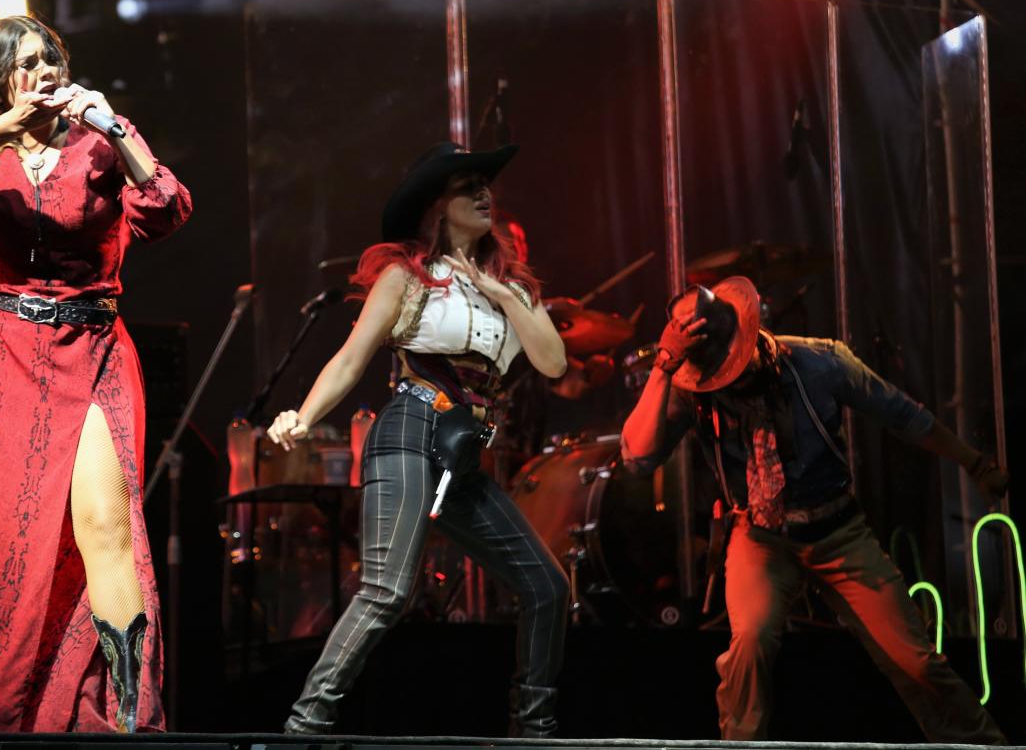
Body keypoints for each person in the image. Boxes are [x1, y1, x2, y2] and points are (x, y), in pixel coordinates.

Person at [0, 15, 193, 732]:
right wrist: (4, 123)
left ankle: (129, 711)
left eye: (51, 59)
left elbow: (166, 211)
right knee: (4, 538)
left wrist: (119, 130)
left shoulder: (99, 142)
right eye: (27, 63)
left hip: (93, 349)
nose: (44, 71)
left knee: (106, 524)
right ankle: (2, 711)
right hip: (0, 357)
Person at [620, 276, 1007, 742]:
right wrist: (664, 367)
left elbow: (904, 415)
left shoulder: (819, 362)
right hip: (760, 538)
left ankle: (985, 747)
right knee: (749, 646)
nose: (728, 379)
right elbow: (637, 457)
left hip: (836, 532)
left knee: (917, 661)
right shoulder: (695, 387)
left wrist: (975, 463)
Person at [267, 142, 571, 736]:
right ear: (437, 205)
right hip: (410, 428)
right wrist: (301, 416)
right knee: (387, 590)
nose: (484, 194)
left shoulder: (516, 289)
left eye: (486, 184)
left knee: (548, 585)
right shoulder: (408, 277)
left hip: (462, 454)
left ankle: (535, 732)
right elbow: (351, 359)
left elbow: (554, 363)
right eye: (467, 186)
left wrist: (502, 293)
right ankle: (306, 723)